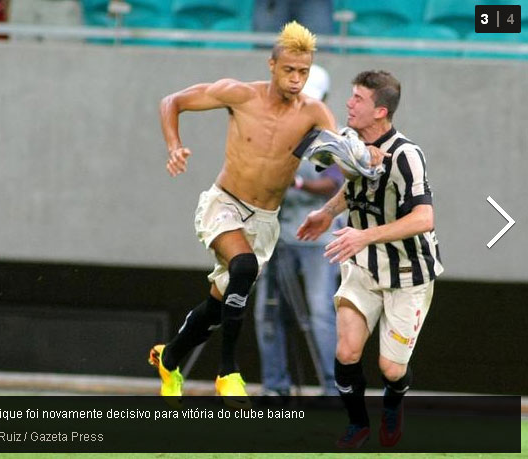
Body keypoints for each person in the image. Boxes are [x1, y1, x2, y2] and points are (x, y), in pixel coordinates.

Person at [148, 21, 344, 405]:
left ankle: (169, 358)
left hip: (264, 221)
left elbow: (337, 161)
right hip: (223, 205)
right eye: (289, 70)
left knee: (219, 306)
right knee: (244, 268)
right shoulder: (239, 94)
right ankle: (228, 371)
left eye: (303, 72)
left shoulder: (315, 112)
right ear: (271, 65)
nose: (296, 79)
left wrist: (353, 158)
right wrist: (174, 146)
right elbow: (172, 101)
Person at [297, 70, 444, 448]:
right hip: (363, 266)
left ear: (380, 111)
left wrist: (363, 234)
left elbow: (424, 218)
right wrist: (327, 212)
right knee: (346, 351)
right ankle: (358, 425)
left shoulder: (406, 154)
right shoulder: (352, 143)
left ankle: (393, 405)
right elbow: (354, 185)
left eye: (358, 99)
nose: (349, 103)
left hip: (408, 273)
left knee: (390, 369)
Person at [254, 64, 344, 397]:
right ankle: (274, 387)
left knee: (321, 313)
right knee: (267, 311)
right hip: (278, 237)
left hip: (317, 240)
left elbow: (334, 183)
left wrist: (298, 182)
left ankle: (334, 389)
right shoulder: (275, 133)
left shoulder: (331, 136)